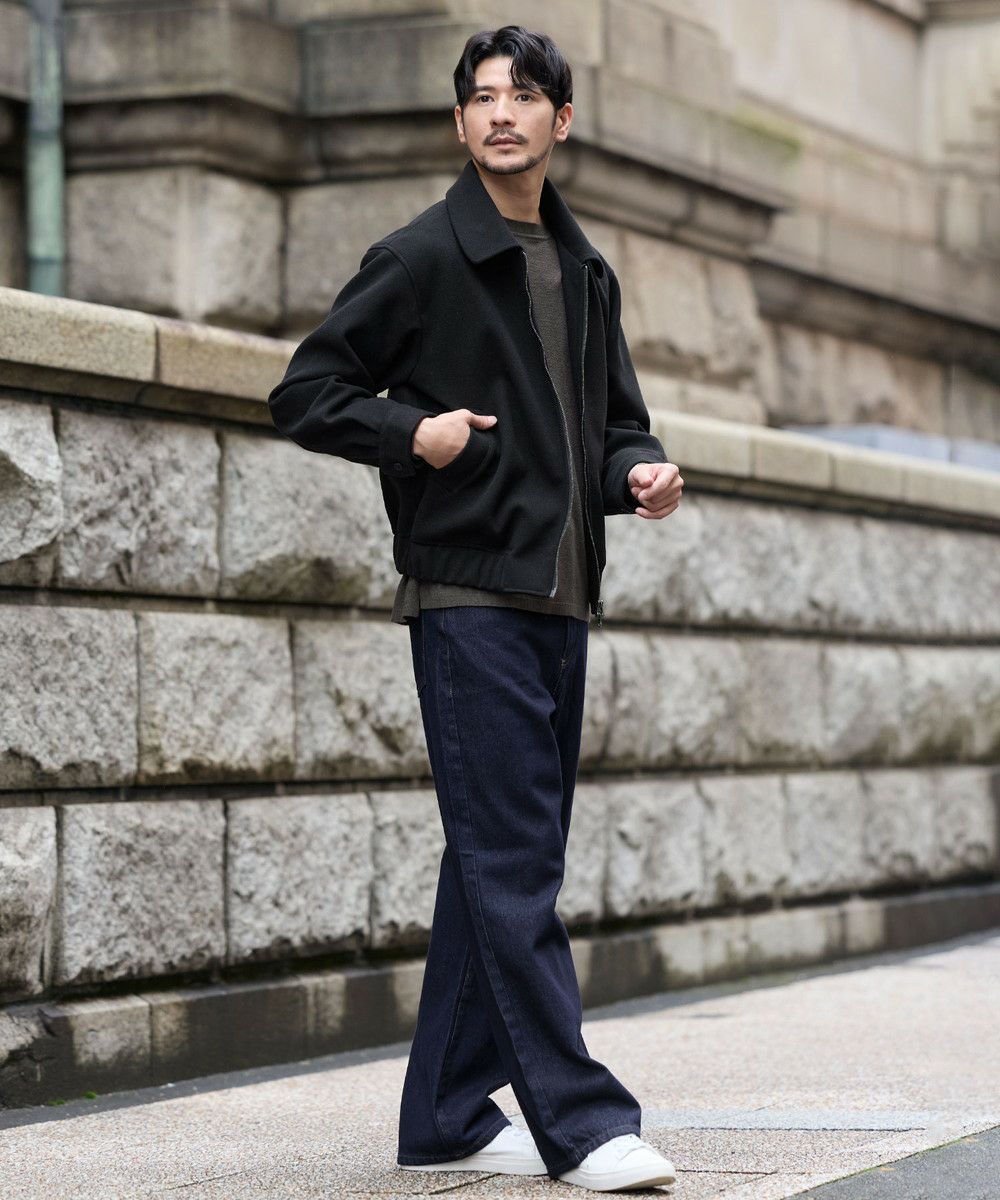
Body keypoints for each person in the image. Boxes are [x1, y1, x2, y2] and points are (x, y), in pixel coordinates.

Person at [267, 23, 683, 1192]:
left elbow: (614, 425)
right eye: (483, 97)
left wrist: (638, 475)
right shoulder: (420, 258)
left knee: (502, 857)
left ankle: (446, 1111)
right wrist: (416, 433)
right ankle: (583, 1124)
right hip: (468, 599)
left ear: (561, 119)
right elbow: (304, 392)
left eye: (524, 95)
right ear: (460, 124)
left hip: (561, 599)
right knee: (513, 865)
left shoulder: (583, 269)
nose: (503, 112)